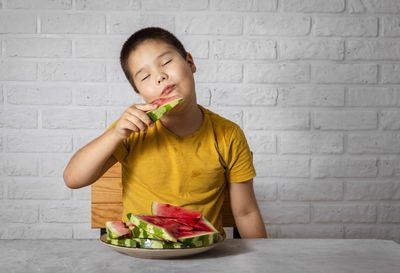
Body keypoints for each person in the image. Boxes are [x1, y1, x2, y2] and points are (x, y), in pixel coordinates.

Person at [63, 27, 267, 238]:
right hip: (143, 253)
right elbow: (72, 178)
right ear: (139, 92)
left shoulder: (228, 134)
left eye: (166, 62)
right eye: (145, 77)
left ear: (190, 62)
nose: (159, 77)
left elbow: (246, 212)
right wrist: (115, 134)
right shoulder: (131, 131)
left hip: (205, 254)